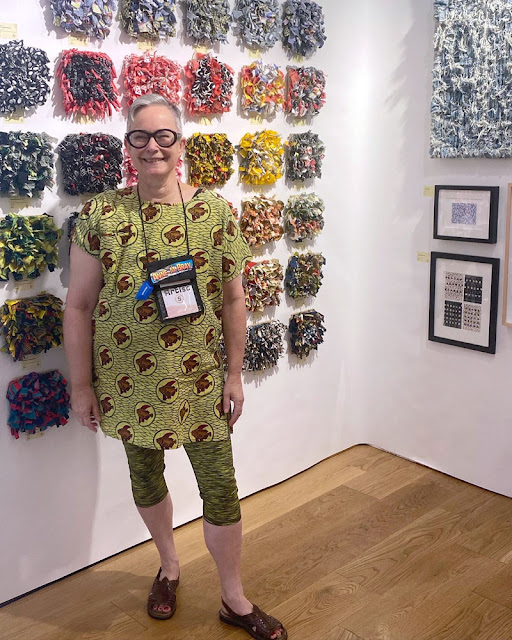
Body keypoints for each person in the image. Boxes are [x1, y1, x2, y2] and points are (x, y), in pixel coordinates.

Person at [63, 93, 287, 640]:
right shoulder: (101, 214)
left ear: (180, 144)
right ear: (128, 146)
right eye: (140, 136)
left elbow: (234, 299)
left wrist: (234, 374)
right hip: (127, 380)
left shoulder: (214, 212)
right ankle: (168, 567)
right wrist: (82, 385)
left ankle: (233, 597)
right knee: (145, 479)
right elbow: (79, 305)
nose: (153, 147)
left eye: (164, 136)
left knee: (221, 488)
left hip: (200, 381)